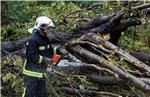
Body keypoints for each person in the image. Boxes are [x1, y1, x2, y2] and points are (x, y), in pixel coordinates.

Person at [22, 16, 61, 97]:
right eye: (48, 28)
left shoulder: (45, 39)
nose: (50, 30)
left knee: (42, 95)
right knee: (29, 95)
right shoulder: (33, 40)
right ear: (42, 28)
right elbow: (31, 56)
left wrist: (58, 50)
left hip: (41, 73)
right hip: (31, 73)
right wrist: (46, 60)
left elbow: (49, 50)